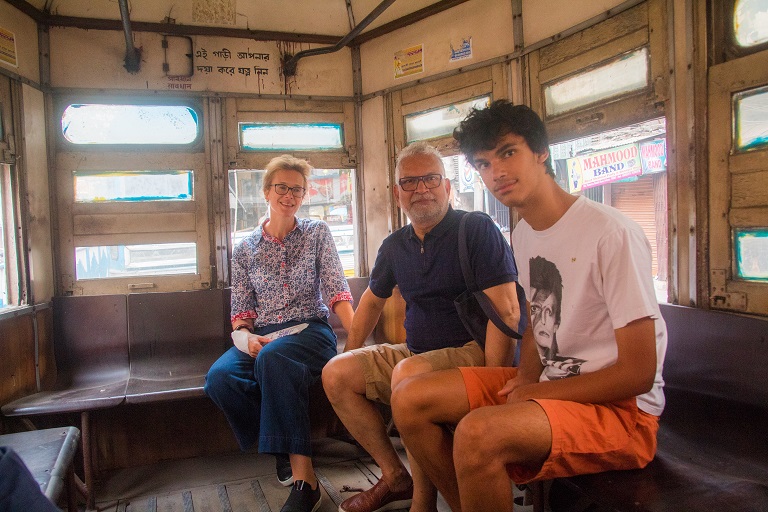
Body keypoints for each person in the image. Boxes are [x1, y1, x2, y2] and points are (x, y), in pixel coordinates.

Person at [392, 101, 668, 512]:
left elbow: (639, 372)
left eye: (507, 153)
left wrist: (536, 391)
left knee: (477, 434)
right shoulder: (523, 235)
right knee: (410, 399)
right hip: (556, 385)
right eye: (483, 164)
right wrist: (524, 378)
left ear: (541, 153)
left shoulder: (610, 232)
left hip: (622, 412)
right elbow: (535, 322)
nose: (496, 173)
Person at [322, 141, 524, 512]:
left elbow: (508, 311)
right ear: (398, 194)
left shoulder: (474, 228)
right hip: (417, 353)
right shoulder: (395, 245)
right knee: (336, 373)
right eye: (410, 182)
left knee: (406, 374)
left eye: (430, 179)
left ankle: (433, 502)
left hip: (475, 350)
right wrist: (352, 350)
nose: (421, 189)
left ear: (447, 187)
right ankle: (395, 477)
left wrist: (492, 384)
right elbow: (370, 302)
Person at [205, 155, 354, 512]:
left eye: (297, 190)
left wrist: (358, 340)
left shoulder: (318, 233)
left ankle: (306, 482)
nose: (290, 195)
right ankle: (282, 447)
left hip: (311, 331)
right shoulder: (245, 250)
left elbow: (337, 291)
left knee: (275, 359)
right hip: (265, 336)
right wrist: (247, 339)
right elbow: (240, 316)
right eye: (282, 188)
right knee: (220, 378)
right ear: (266, 192)